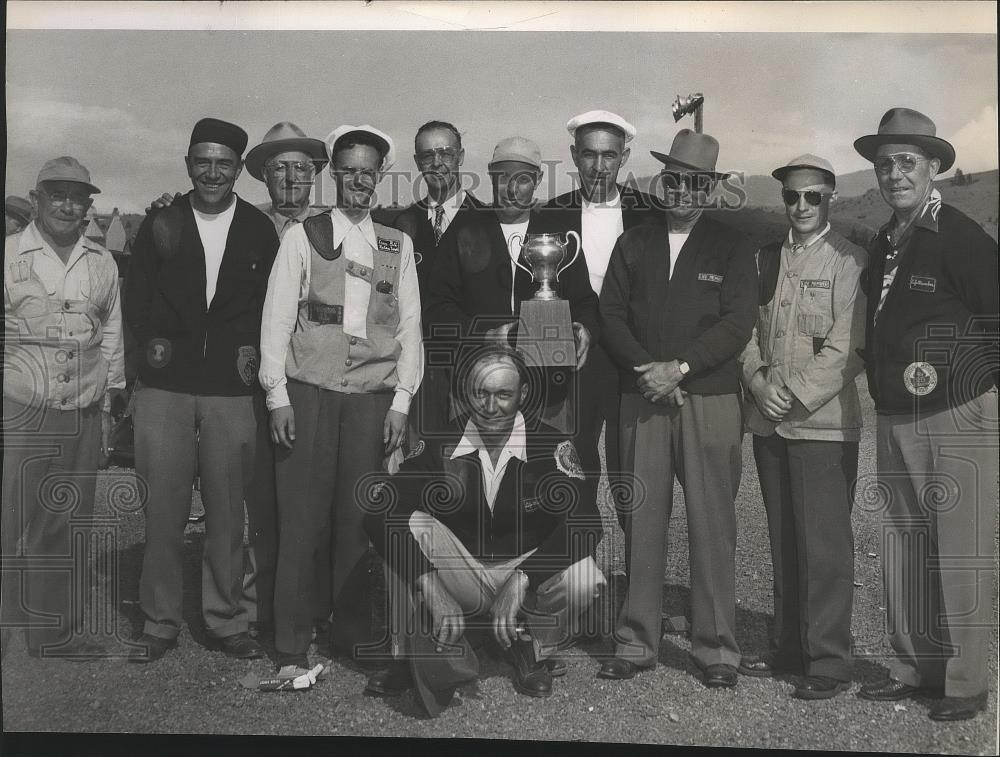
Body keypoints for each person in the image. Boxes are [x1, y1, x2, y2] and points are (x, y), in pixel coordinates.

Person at [141, 121, 332, 643]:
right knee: (200, 506)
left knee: (266, 506)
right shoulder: (204, 221)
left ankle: (266, 612)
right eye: (277, 168)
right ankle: (194, 615)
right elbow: (143, 298)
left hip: (278, 382)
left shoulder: (298, 227)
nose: (290, 178)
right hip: (205, 382)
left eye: (300, 168)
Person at [259, 124, 423, 678]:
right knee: (302, 519)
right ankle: (290, 643)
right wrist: (277, 394)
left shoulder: (397, 245)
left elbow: (410, 327)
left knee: (357, 518)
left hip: (370, 401)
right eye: (347, 170)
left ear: (379, 177)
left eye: (368, 171)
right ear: (333, 175)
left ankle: (350, 632)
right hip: (310, 394)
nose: (358, 180)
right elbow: (277, 319)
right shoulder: (304, 236)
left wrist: (401, 400)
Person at [361, 345, 605, 715]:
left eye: (504, 394)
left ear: (522, 395)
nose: (491, 407)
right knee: (405, 524)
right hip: (463, 570)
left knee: (584, 576)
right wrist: (429, 583)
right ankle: (410, 654)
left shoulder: (550, 444)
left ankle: (534, 647)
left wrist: (524, 577)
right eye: (481, 393)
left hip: (520, 571)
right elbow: (378, 510)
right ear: (467, 393)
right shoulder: (440, 442)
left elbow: (587, 520)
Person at [597, 129, 758, 687]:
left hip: (708, 397)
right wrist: (649, 370)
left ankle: (715, 648)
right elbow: (611, 314)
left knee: (712, 520)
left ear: (712, 189)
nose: (685, 191)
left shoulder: (733, 245)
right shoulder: (634, 242)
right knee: (642, 517)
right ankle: (637, 638)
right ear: (663, 182)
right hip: (642, 395)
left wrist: (680, 367)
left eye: (699, 183)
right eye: (677, 180)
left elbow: (738, 322)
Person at [852, 108, 998, 722]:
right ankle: (918, 667)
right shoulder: (886, 239)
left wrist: (978, 390)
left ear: (933, 167)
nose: (894, 174)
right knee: (904, 546)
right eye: (885, 164)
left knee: (961, 548)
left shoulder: (960, 237)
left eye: (906, 162)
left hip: (956, 412)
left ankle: (967, 682)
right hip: (895, 412)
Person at [124, 117, 279, 663]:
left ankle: (227, 617)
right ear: (187, 163)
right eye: (202, 161)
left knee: (226, 512)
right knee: (162, 510)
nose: (212, 172)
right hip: (165, 388)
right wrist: (142, 373)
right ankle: (159, 621)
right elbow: (136, 303)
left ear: (239, 168)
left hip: (231, 393)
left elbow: (269, 310)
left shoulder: (260, 229)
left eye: (224, 163)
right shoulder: (161, 223)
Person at [738, 154, 867, 699]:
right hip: (770, 423)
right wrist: (758, 380)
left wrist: (794, 395)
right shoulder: (765, 258)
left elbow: (850, 346)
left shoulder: (849, 260)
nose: (801, 206)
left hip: (822, 425)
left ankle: (829, 661)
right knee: (784, 537)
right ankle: (789, 646)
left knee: (825, 545)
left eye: (813, 196)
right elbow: (746, 329)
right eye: (793, 196)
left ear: (830, 199)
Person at [2, 157, 125, 660]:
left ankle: (51, 632)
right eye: (57, 194)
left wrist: (112, 391)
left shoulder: (101, 261)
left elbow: (113, 330)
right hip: (20, 409)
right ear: (36, 199)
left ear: (88, 204)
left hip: (82, 409)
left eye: (78, 197)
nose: (68, 205)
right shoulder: (10, 254)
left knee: (62, 523)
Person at [542, 110, 658, 561]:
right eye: (588, 155)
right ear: (574, 156)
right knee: (572, 472)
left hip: (635, 363)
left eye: (609, 155)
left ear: (624, 157)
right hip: (576, 365)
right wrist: (552, 369)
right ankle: (577, 585)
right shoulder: (551, 214)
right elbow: (541, 296)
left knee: (634, 475)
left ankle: (639, 596)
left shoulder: (651, 214)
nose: (598, 166)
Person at [424, 136, 599, 431]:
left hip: (544, 393)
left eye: (522, 179)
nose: (511, 189)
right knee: (474, 475)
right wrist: (486, 334)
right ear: (491, 177)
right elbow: (436, 308)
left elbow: (584, 300)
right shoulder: (464, 230)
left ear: (538, 179)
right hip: (478, 390)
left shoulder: (555, 234)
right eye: (502, 177)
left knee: (542, 473)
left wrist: (585, 327)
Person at [387, 120, 485, 438]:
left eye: (445, 152)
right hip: (414, 369)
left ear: (460, 157)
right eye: (427, 155)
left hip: (471, 368)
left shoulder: (488, 220)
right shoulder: (403, 224)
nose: (437, 162)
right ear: (417, 162)